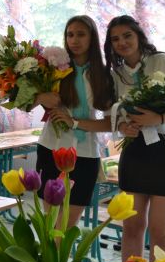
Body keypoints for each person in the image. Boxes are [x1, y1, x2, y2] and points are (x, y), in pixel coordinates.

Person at [104, 14, 165, 262]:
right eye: (115, 39)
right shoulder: (116, 75)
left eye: (127, 35)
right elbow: (110, 112)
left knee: (161, 231)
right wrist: (123, 126)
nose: (122, 42)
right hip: (135, 151)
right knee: (131, 227)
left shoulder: (163, 62)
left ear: (139, 36)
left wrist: (160, 118)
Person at [34, 15, 114, 228]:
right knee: (51, 223)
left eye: (81, 34)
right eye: (70, 35)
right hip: (52, 147)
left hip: (86, 154)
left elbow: (110, 123)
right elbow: (24, 102)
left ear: (92, 38)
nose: (74, 40)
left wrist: (74, 123)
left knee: (68, 224)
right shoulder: (53, 69)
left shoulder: (103, 75)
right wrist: (41, 97)